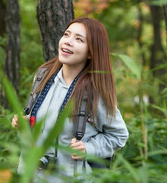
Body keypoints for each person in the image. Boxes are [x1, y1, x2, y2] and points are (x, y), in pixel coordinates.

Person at [12, 17, 129, 182]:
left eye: (79, 39)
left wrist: (89, 148)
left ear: (90, 52)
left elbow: (118, 135)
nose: (68, 41)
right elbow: (38, 119)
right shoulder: (43, 76)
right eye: (66, 35)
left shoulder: (95, 92)